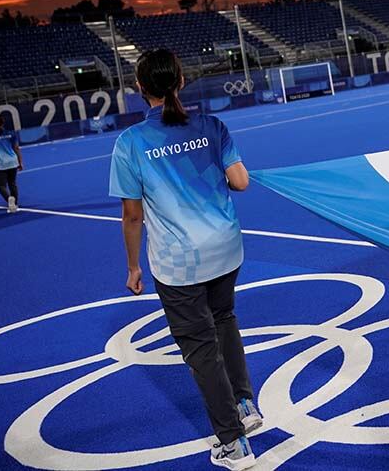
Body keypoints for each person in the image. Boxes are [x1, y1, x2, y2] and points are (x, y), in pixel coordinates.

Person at [109, 49, 260, 471]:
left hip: (180, 263)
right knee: (225, 321)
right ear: (180, 80)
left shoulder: (131, 143)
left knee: (200, 350)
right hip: (226, 248)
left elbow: (132, 214)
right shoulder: (212, 125)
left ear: (141, 89)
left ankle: (234, 443)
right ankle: (246, 405)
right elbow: (241, 181)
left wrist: (134, 266)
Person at [0, 114, 23, 212]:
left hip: (0, 164)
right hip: (12, 161)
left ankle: (9, 200)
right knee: (12, 183)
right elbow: (16, 148)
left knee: (1, 185)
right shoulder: (11, 133)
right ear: (3, 123)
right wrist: (20, 162)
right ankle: (15, 204)